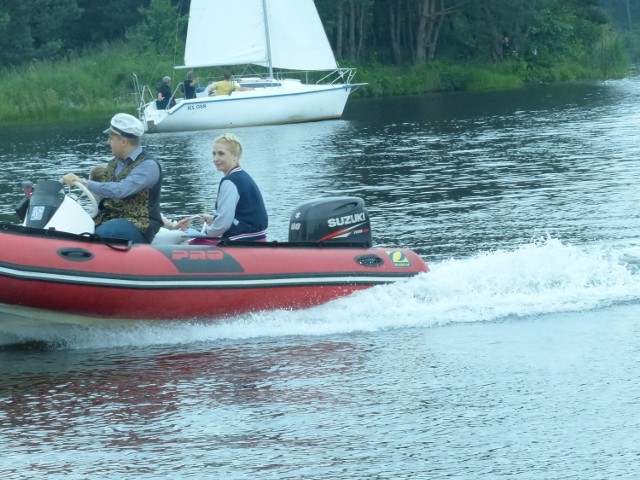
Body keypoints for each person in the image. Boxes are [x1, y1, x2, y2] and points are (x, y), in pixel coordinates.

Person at [61, 113, 163, 243]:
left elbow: (121, 190)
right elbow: (105, 189)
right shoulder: (115, 162)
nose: (107, 142)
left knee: (103, 233)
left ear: (123, 141)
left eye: (110, 138)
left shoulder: (148, 166)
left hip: (139, 225)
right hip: (110, 217)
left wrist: (84, 182)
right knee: (76, 228)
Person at [185, 133, 268, 243]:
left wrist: (205, 234)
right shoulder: (243, 177)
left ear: (236, 156)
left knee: (192, 244)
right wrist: (214, 220)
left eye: (221, 154)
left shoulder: (230, 181)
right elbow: (240, 216)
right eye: (214, 154)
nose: (215, 158)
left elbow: (223, 225)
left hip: (242, 241)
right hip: (257, 238)